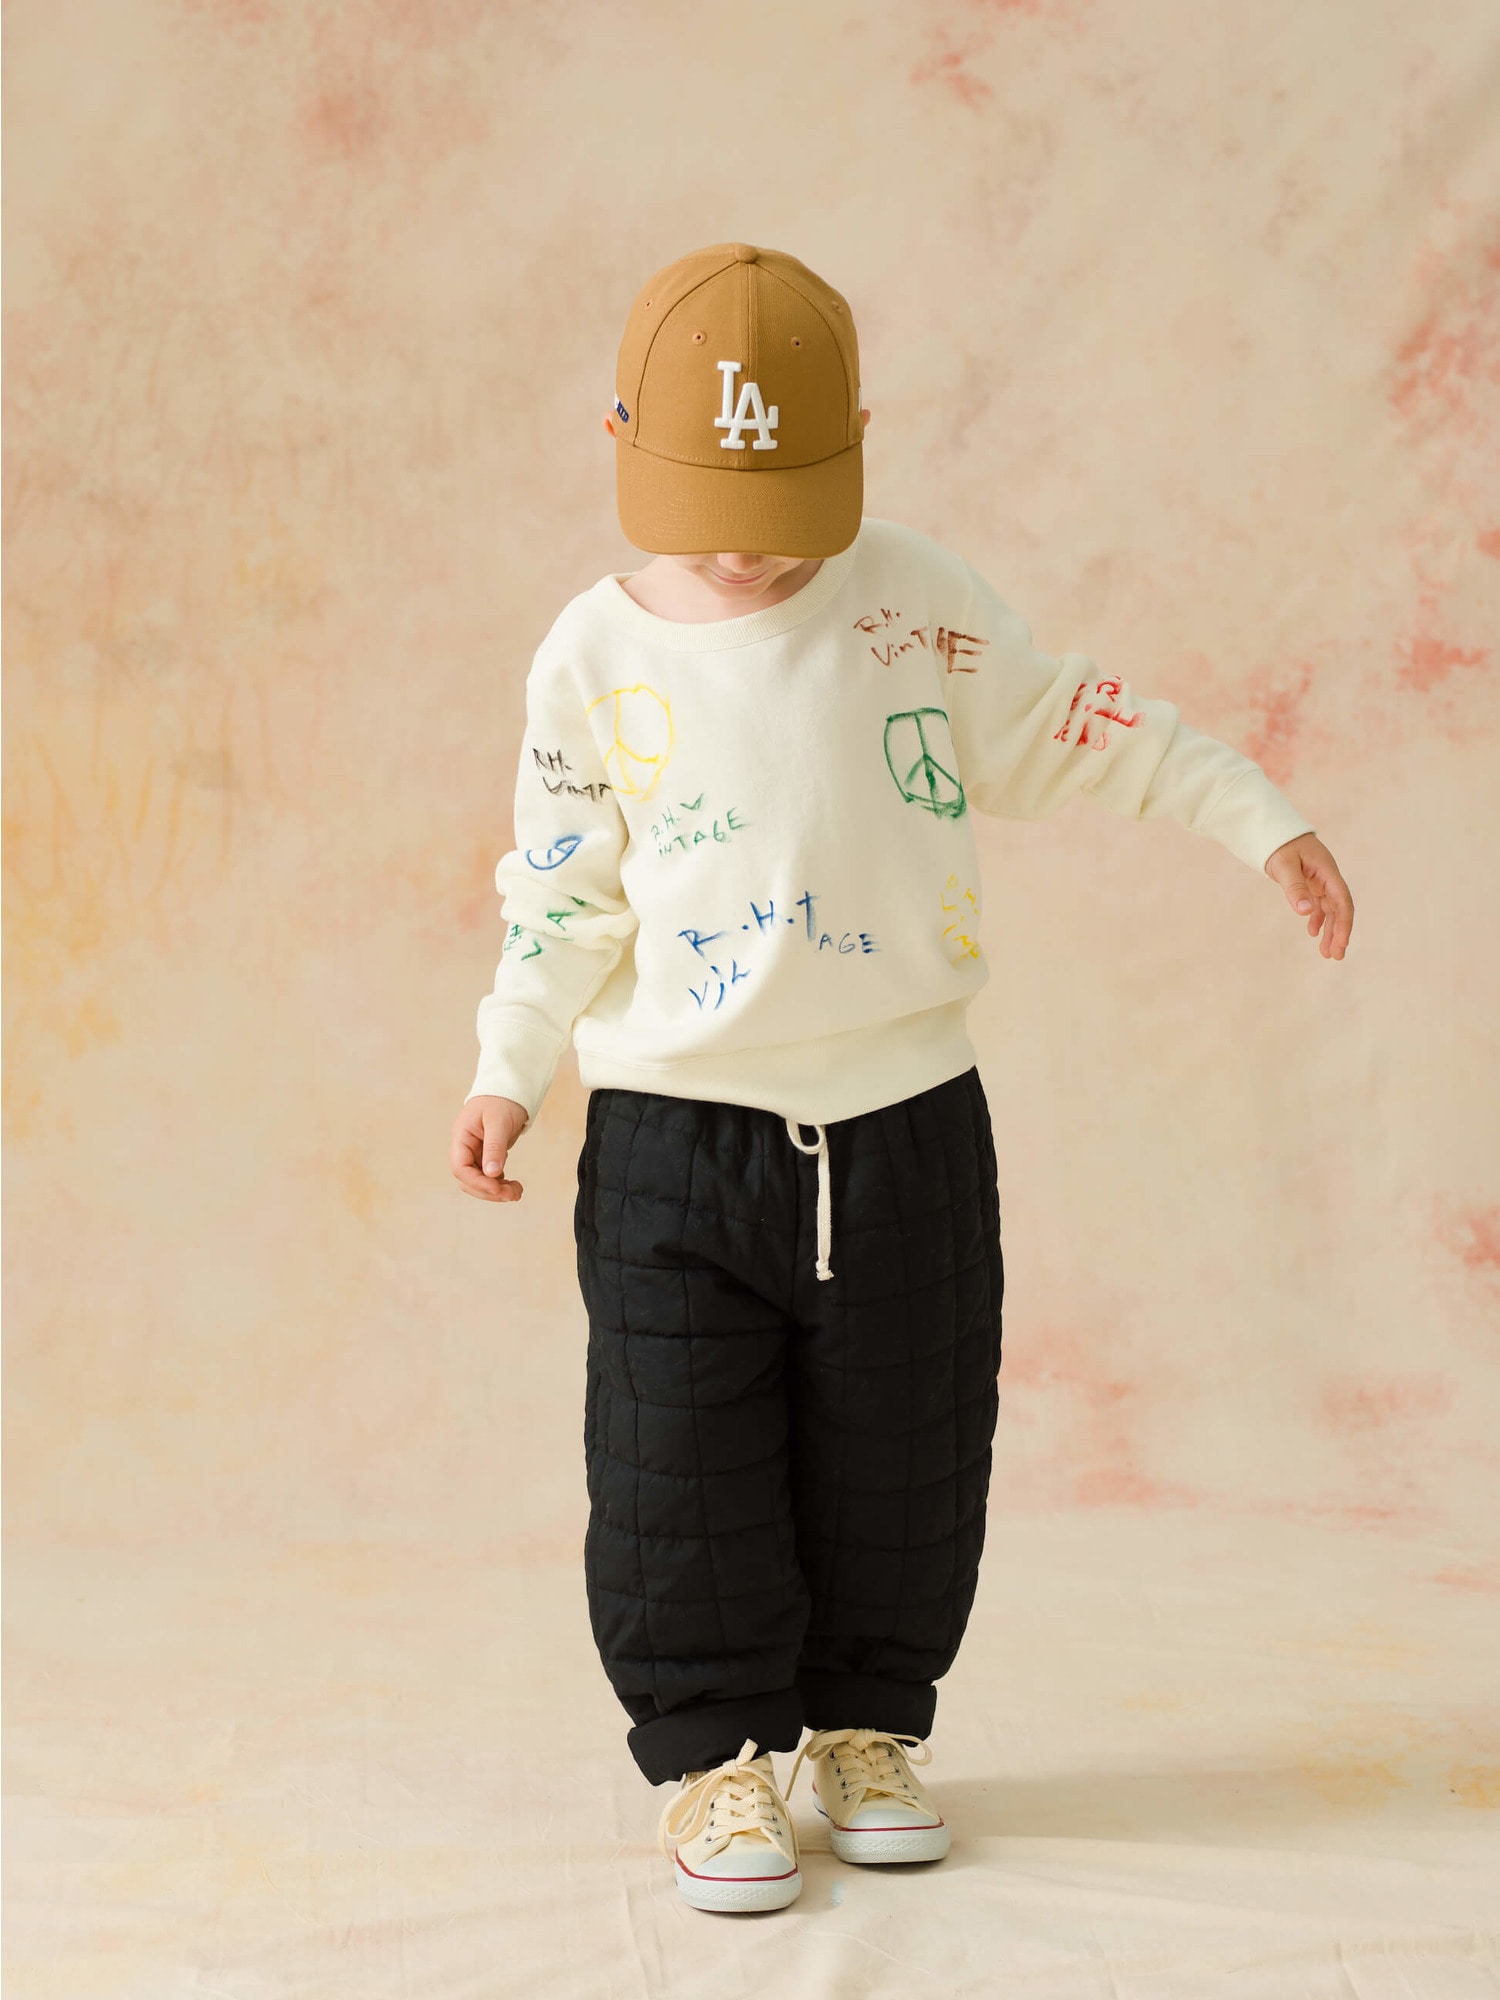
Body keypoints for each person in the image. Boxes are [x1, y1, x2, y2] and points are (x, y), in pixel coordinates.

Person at [448, 242, 1355, 1916]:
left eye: (787, 504)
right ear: (619, 441)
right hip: (673, 1140)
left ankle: (867, 1728)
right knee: (675, 1463)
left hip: (905, 1129)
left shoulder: (911, 602)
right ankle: (718, 1756)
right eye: (708, 505)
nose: (746, 546)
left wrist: (1258, 817)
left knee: (907, 1448)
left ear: (857, 443)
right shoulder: (590, 654)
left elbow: (1079, 723)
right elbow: (561, 891)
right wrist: (509, 1064)